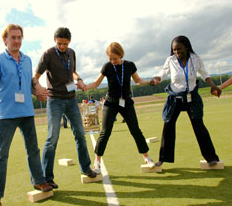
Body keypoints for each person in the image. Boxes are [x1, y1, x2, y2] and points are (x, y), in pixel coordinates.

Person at [0, 24, 52, 206]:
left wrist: (36, 92)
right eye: (13, 37)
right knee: (1, 155)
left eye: (19, 37)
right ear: (5, 40)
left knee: (33, 150)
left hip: (27, 112)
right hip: (6, 115)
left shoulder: (28, 60)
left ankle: (39, 181)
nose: (16, 41)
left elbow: (26, 84)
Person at [33, 27, 97, 189]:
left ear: (69, 42)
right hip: (54, 100)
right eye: (59, 43)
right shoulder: (47, 55)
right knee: (52, 139)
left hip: (71, 99)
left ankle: (86, 168)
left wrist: (80, 80)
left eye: (65, 44)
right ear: (54, 40)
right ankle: (47, 178)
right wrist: (38, 88)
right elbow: (36, 76)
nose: (62, 46)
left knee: (80, 135)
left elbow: (73, 71)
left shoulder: (71, 53)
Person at [84, 42, 156, 174]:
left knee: (135, 130)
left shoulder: (129, 65)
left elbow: (138, 80)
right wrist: (84, 86)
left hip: (126, 102)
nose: (113, 61)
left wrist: (149, 82)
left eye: (115, 58)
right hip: (110, 103)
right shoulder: (107, 67)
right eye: (110, 59)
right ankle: (97, 162)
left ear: (120, 55)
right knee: (105, 133)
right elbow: (96, 83)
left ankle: (147, 158)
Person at [151, 35, 221, 167]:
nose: (177, 52)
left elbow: (205, 74)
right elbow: (163, 73)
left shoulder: (196, 59)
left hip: (192, 98)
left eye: (179, 49)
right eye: (174, 50)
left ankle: (211, 157)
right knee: (168, 126)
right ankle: (163, 159)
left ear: (187, 47)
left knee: (199, 127)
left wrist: (213, 86)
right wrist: (156, 79)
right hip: (175, 98)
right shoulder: (170, 60)